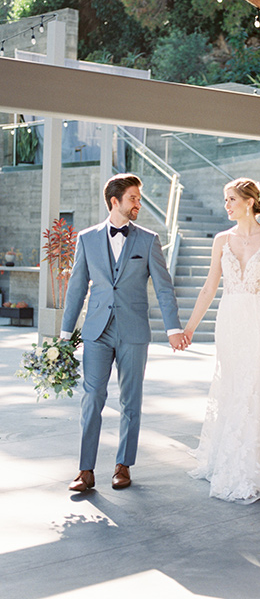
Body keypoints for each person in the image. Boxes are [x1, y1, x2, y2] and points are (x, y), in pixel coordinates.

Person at [61, 173, 187, 492]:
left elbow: (163, 287)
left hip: (133, 331)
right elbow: (76, 288)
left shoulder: (148, 240)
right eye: (133, 198)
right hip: (97, 332)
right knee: (92, 398)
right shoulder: (87, 239)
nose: (138, 204)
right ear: (115, 201)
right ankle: (85, 470)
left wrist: (173, 328)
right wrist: (65, 334)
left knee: (131, 401)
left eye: (138, 199)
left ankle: (123, 465)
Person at [185, 177, 260, 503]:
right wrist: (189, 328)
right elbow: (208, 287)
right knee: (232, 386)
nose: (227, 205)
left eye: (231, 199)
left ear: (249, 201)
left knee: (256, 386)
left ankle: (254, 465)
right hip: (229, 321)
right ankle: (226, 458)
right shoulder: (221, 239)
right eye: (226, 199)